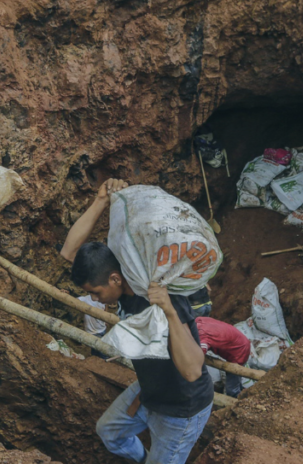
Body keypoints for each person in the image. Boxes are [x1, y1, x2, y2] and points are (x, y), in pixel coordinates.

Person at [60, 178, 213, 464]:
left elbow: (192, 371)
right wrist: (101, 200)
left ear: (114, 278)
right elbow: (69, 253)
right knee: (109, 432)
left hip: (181, 408)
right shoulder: (121, 279)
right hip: (149, 391)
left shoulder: (159, 298)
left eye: (95, 292)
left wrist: (168, 310)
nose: (94, 300)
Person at [195, 317, 251, 398]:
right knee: (234, 380)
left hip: (239, 351)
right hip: (240, 341)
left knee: (232, 387)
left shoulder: (203, 337)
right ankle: (240, 391)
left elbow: (197, 359)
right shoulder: (199, 321)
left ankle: (236, 401)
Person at [77, 294, 110, 358]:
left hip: (102, 328)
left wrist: (105, 320)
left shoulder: (103, 297)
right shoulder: (85, 299)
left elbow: (105, 308)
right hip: (93, 331)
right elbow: (73, 300)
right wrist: (65, 294)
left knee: (99, 350)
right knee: (101, 352)